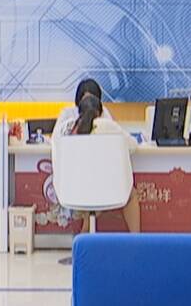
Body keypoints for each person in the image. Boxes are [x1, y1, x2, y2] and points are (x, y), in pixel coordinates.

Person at [56, 89, 142, 234]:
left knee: (91, 195)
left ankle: (84, 233)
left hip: (73, 190)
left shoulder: (67, 128)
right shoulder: (109, 126)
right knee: (130, 194)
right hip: (106, 190)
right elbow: (132, 146)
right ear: (101, 112)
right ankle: (136, 239)